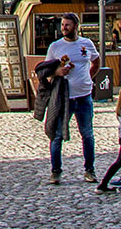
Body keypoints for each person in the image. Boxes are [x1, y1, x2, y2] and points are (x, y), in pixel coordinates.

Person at [44, 10, 99, 184]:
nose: (64, 28)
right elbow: (45, 71)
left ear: (76, 26)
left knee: (87, 134)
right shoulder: (56, 47)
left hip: (84, 95)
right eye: (62, 25)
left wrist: (89, 78)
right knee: (57, 134)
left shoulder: (86, 43)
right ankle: (56, 171)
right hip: (64, 97)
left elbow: (96, 61)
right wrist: (57, 72)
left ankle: (90, 170)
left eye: (67, 25)